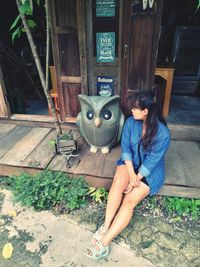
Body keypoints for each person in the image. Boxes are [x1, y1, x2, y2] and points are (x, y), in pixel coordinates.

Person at [84, 89, 171, 260]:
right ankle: (106, 225)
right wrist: (131, 175)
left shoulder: (162, 133)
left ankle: (105, 243)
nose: (131, 110)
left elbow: (153, 160)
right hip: (131, 163)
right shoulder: (131, 123)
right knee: (118, 183)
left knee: (129, 200)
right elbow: (126, 149)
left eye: (135, 108)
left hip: (150, 171)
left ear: (146, 111)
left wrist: (136, 179)